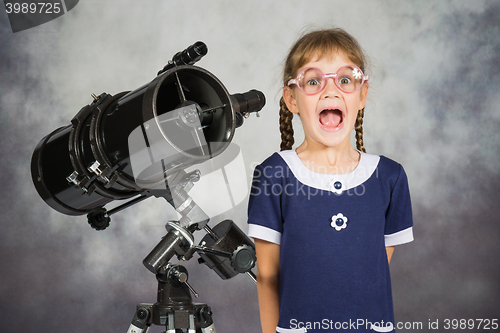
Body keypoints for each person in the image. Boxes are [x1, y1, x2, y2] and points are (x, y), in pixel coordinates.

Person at [247, 28, 414, 333]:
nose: (331, 91)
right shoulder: (272, 174)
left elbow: (373, 270)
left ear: (362, 94)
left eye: (345, 80)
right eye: (313, 81)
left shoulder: (390, 178)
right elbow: (267, 276)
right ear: (292, 98)